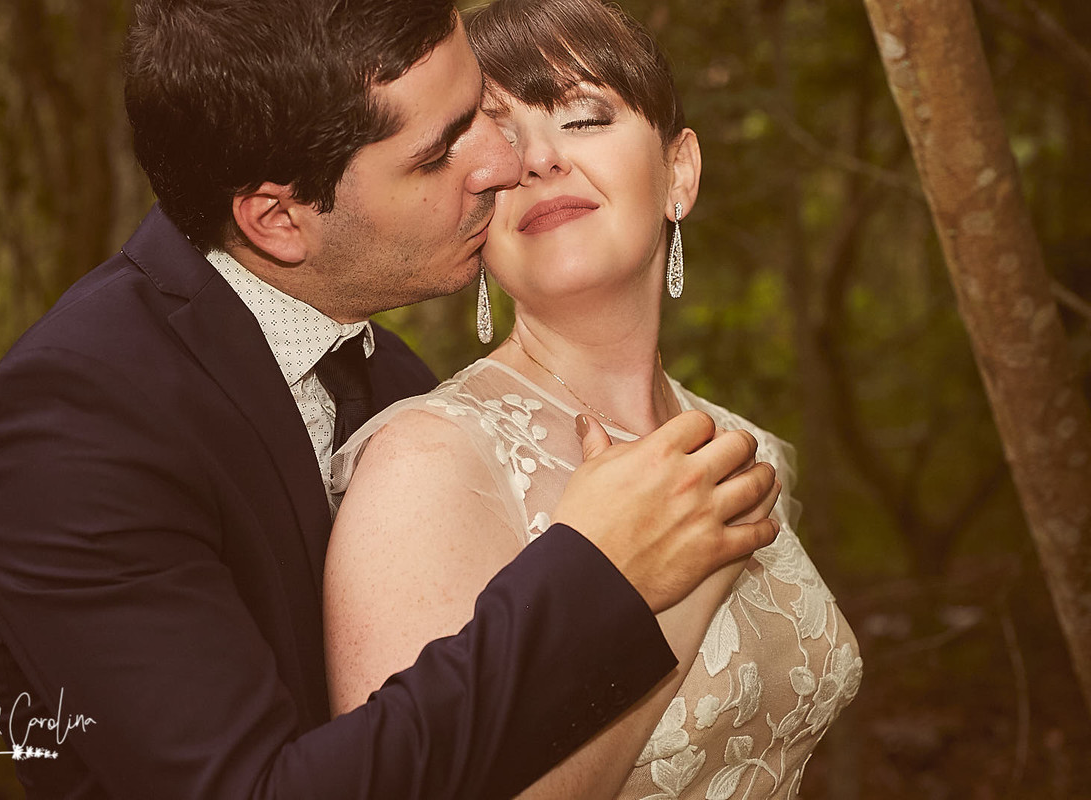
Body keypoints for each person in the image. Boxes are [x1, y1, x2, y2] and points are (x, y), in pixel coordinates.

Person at [0, 1, 781, 797]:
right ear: (278, 219)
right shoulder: (80, 423)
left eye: (474, 112)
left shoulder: (391, 379)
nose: (503, 162)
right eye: (441, 148)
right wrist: (602, 576)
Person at [324, 0, 862, 797]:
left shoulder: (749, 450)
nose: (538, 159)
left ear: (679, 171)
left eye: (582, 117)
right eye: (499, 135)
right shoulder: (427, 462)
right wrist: (665, 592)